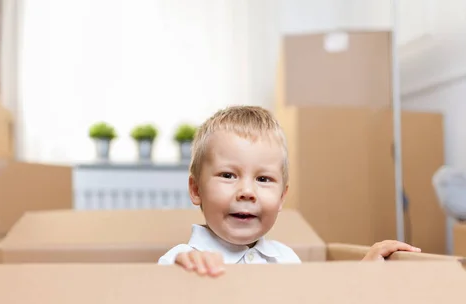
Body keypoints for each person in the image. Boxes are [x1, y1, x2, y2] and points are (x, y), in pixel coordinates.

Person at [158, 105, 421, 276]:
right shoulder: (180, 261)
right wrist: (184, 277)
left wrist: (364, 272)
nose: (247, 191)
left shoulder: (285, 259)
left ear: (282, 197)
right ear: (196, 190)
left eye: (263, 179)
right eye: (228, 175)